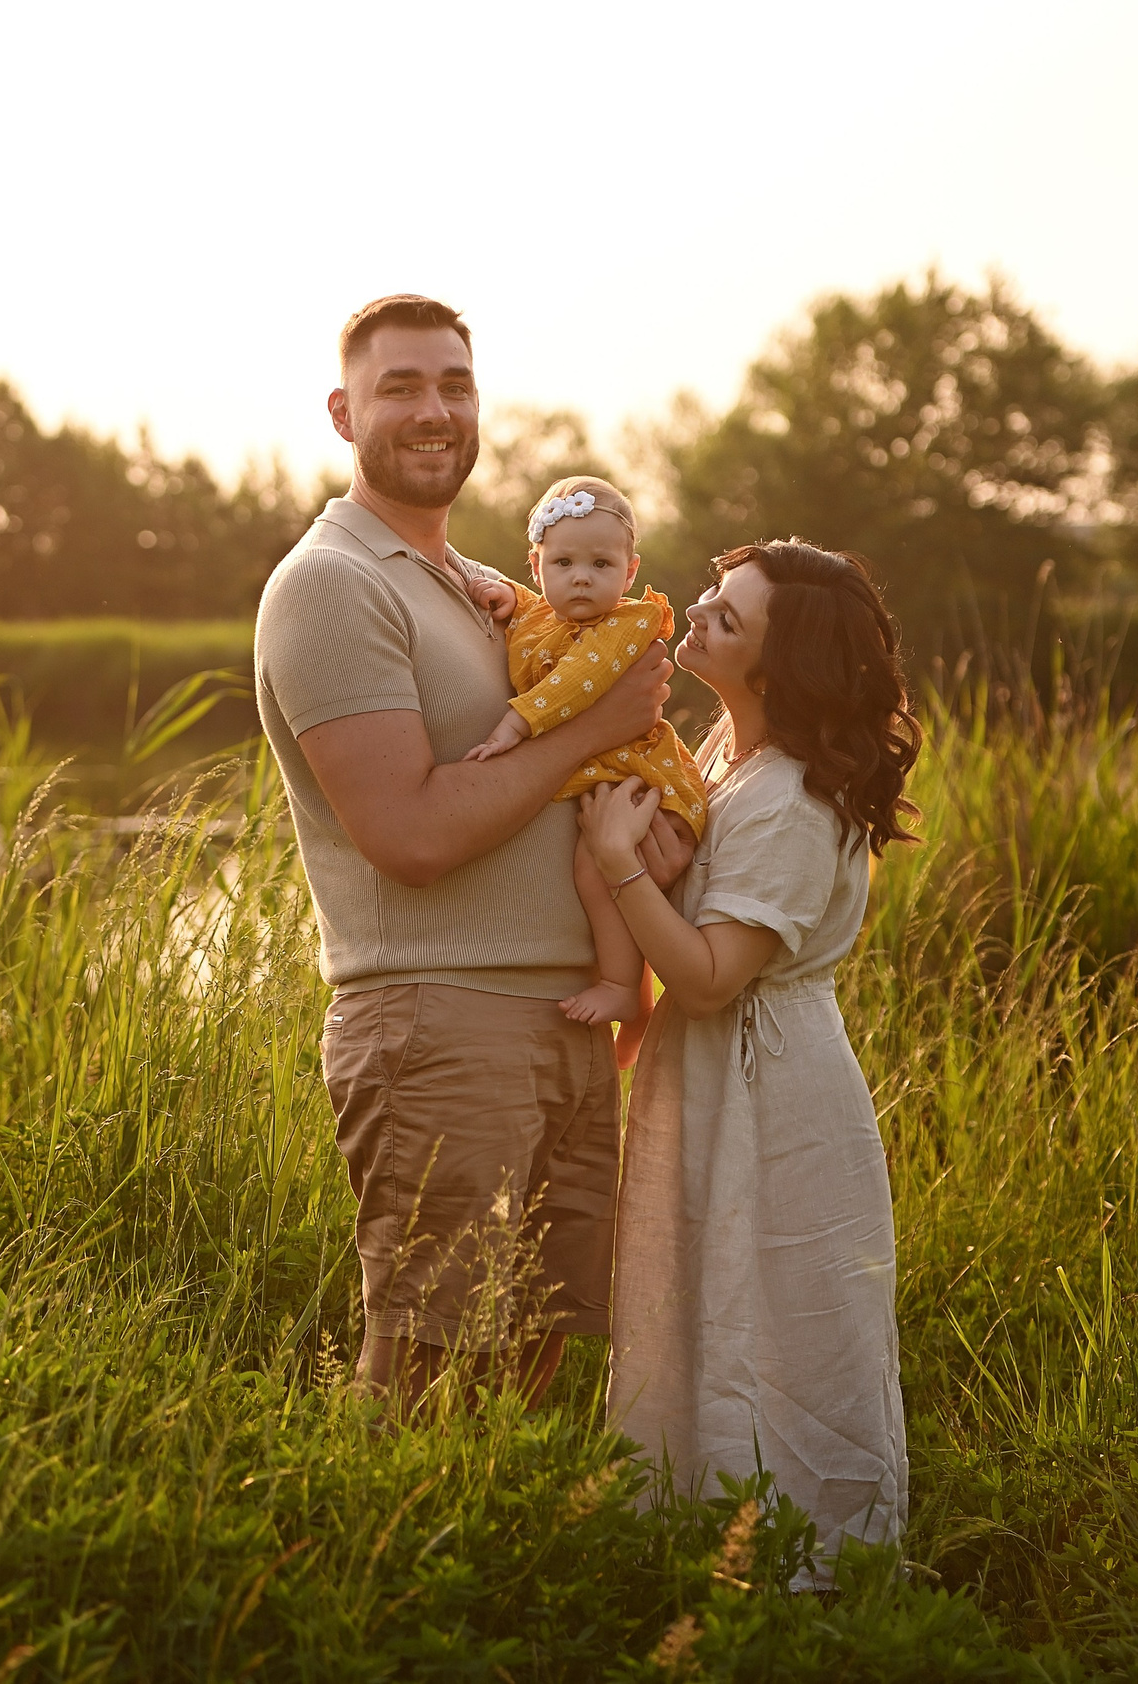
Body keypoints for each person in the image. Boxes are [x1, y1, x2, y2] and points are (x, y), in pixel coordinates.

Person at [252, 295, 691, 1411]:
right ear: (344, 413)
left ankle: (505, 1584)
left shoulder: (486, 588)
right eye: (401, 386)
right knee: (425, 1379)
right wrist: (596, 729)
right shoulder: (330, 585)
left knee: (533, 1375)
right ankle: (375, 1575)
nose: (434, 409)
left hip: (561, 1025)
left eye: (455, 384)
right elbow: (407, 836)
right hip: (438, 1022)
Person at [579, 539, 923, 1577]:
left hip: (768, 1084)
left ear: (774, 671)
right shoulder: (732, 764)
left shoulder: (786, 796)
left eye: (725, 617)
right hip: (721, 1074)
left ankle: (806, 1572)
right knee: (710, 1300)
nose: (696, 615)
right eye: (710, 599)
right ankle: (707, 1542)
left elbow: (710, 978)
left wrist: (614, 864)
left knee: (778, 1315)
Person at [455, 476, 709, 1027]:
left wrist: (515, 726)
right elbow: (531, 612)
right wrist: (509, 598)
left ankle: (621, 987)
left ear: (630, 571)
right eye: (563, 564)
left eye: (601, 565)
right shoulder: (544, 615)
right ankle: (638, 1010)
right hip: (612, 781)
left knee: (596, 869)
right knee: (606, 874)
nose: (581, 580)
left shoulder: (622, 626)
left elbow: (575, 683)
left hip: (642, 784)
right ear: (536, 565)